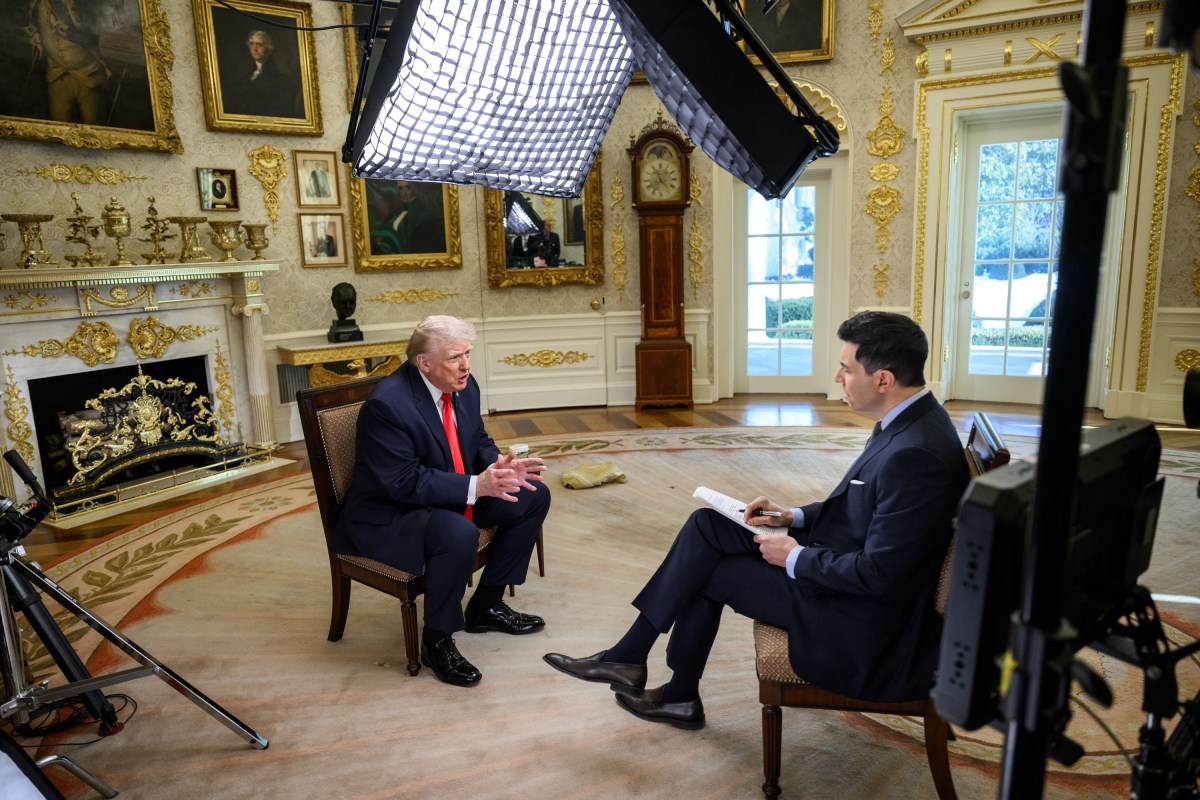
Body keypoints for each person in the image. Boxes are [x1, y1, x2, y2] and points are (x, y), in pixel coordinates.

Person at [544, 311, 969, 729]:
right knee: (707, 525)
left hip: (862, 618)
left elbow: (882, 575)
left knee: (705, 571)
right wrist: (790, 516)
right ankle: (634, 660)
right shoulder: (909, 423)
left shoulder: (915, 454)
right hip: (847, 576)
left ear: (884, 380)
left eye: (846, 368)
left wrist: (794, 556)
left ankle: (667, 687)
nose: (837, 376)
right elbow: (862, 508)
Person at [330, 316, 551, 686]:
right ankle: (436, 640)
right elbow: (403, 482)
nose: (465, 365)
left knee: (530, 494)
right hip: (390, 511)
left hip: (445, 490)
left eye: (467, 354)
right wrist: (476, 486)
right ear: (424, 362)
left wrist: (498, 467)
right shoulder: (388, 405)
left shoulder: (463, 385)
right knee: (458, 533)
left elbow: (477, 439)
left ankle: (486, 605)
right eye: (454, 357)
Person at [26, 0, 112, 124]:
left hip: (89, 75)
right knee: (59, 128)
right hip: (56, 77)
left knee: (94, 126)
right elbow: (25, 22)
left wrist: (68, 32)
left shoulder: (81, 3)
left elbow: (94, 36)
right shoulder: (35, 4)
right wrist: (36, 39)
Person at [221, 29, 300, 119]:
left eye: (259, 45)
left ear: (269, 49)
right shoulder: (244, 74)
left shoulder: (280, 79)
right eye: (252, 44)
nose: (255, 49)